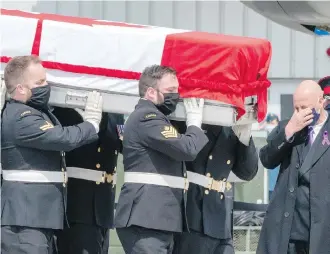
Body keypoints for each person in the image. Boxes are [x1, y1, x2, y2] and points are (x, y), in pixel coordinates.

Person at [1, 55, 102, 254]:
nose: (47, 86)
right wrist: (92, 123)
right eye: (40, 82)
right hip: (26, 221)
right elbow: (63, 138)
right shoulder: (22, 117)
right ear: (20, 88)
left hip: (38, 219)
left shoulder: (37, 112)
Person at [114, 65, 209, 254]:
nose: (176, 95)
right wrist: (194, 125)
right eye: (170, 91)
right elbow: (187, 149)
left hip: (157, 219)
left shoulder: (156, 118)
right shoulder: (147, 118)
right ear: (150, 92)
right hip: (147, 219)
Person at [257, 80, 330, 254]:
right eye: (296, 108)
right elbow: (267, 159)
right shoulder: (288, 127)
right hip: (287, 230)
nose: (299, 113)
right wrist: (289, 131)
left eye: (304, 108)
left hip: (321, 231)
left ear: (321, 102)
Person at [171, 115, 259, 254]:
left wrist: (245, 137)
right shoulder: (188, 122)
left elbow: (247, 172)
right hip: (193, 215)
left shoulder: (229, 130)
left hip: (219, 219)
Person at [51, 107, 124, 254]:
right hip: (78, 205)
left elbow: (122, 144)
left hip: (103, 207)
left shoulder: (116, 111)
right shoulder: (67, 109)